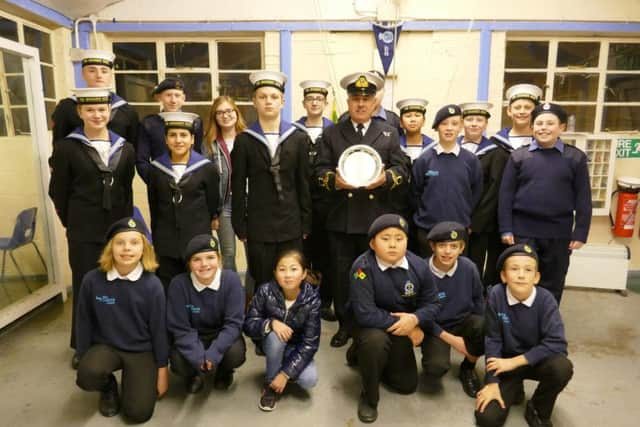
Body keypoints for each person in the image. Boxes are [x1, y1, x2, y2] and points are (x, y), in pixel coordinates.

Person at [314, 71, 410, 348]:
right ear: (348, 101)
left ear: (375, 102)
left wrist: (385, 179)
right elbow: (318, 170)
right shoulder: (332, 133)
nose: (360, 104)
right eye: (355, 98)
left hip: (374, 219)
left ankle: (369, 324)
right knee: (343, 275)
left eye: (366, 99)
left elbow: (402, 168)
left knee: (373, 275)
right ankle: (345, 326)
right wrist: (335, 181)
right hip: (341, 218)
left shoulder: (389, 134)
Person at [49, 87, 135, 368]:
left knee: (119, 285)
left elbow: (126, 189)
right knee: (86, 285)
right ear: (80, 112)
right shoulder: (67, 148)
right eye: (90, 110)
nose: (97, 115)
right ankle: (83, 343)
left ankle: (117, 337)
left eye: (102, 110)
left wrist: (127, 229)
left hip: (117, 231)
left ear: (109, 112)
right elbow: (58, 191)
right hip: (84, 229)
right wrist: (71, 221)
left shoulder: (125, 147)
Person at [346, 214, 440, 423]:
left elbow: (432, 304)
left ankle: (362, 356)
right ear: (372, 243)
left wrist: (415, 319)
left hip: (399, 325)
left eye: (399, 238)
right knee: (374, 342)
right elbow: (365, 313)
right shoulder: (362, 268)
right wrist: (406, 325)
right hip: (368, 325)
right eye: (385, 238)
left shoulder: (419, 266)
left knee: (406, 386)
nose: (393, 244)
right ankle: (369, 397)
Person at [74, 217, 168, 423]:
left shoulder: (153, 286)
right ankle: (108, 387)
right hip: (107, 346)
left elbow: (159, 332)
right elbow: (83, 323)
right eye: (120, 242)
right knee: (87, 375)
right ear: (110, 248)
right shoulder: (92, 280)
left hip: (141, 350)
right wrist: (84, 359)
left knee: (138, 414)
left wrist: (162, 371)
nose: (127, 249)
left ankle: (134, 381)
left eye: (134, 243)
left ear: (144, 248)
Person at [498, 102, 591, 303]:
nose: (543, 128)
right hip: (523, 232)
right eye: (539, 123)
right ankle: (517, 326)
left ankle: (547, 326)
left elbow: (583, 198)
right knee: (520, 281)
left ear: (562, 127)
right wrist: (506, 229)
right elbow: (505, 196)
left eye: (550, 123)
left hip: (559, 233)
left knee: (553, 283)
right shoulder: (519, 156)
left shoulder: (575, 158)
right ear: (532, 127)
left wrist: (581, 232)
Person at [475, 244, 573, 427]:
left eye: (528, 270)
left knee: (562, 367)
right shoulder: (496, 295)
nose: (521, 275)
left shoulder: (545, 300)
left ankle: (537, 408)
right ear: (504, 276)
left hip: (535, 361)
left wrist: (515, 361)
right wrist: (491, 381)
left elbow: (557, 343)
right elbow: (493, 339)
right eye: (514, 269)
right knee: (487, 419)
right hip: (505, 365)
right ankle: (514, 387)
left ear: (536, 277)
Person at [231, 70, 311, 289]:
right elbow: (237, 186)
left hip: (291, 223)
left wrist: (306, 222)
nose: (268, 102)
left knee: (291, 279)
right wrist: (240, 225)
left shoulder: (298, 138)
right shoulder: (244, 140)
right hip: (259, 225)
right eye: (263, 97)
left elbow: (303, 183)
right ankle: (264, 322)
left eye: (274, 97)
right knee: (263, 279)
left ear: (283, 101)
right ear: (253, 101)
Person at [147, 111, 220, 291]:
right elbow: (154, 205)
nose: (178, 140)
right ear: (165, 139)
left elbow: (213, 202)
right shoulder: (156, 168)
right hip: (166, 241)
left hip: (197, 236)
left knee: (198, 287)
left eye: (183, 135)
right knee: (168, 287)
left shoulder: (206, 168)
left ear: (192, 139)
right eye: (172, 135)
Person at [167, 234, 246, 394]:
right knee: (177, 363)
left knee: (235, 354)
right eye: (197, 259)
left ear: (219, 259)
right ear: (189, 264)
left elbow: (233, 323)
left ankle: (224, 371)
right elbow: (180, 327)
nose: (204, 264)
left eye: (210, 257)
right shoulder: (178, 285)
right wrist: (198, 357)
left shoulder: (231, 280)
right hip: (193, 336)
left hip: (221, 334)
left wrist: (213, 353)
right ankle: (194, 374)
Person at [243, 249, 320, 412]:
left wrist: (285, 374)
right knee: (275, 337)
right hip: (271, 342)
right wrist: (270, 323)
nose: (288, 274)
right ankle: (270, 385)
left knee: (309, 379)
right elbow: (248, 325)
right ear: (275, 273)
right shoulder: (264, 291)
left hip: (296, 348)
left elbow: (310, 343)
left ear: (304, 273)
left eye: (294, 269)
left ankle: (281, 369)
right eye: (282, 269)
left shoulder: (312, 300)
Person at [411, 104, 482, 258]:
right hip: (428, 230)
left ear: (461, 127)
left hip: (458, 231)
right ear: (436, 127)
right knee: (427, 275)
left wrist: (467, 222)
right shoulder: (424, 160)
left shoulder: (471, 160)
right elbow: (415, 193)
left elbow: (476, 193)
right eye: (444, 124)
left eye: (454, 124)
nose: (449, 128)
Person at [422, 221, 484, 397]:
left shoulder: (469, 268)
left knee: (486, 328)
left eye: (454, 246)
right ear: (432, 246)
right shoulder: (421, 270)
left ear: (462, 248)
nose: (448, 251)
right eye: (442, 245)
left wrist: (480, 333)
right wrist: (453, 340)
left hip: (462, 320)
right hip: (434, 327)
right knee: (436, 368)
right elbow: (420, 315)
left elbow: (478, 299)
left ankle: (468, 367)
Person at [293, 80, 336, 321]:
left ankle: (324, 302)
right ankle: (302, 301)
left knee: (327, 254)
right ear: (304, 103)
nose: (315, 103)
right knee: (301, 252)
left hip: (328, 202)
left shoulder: (334, 130)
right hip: (300, 201)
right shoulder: (293, 130)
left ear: (325, 103)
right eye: (310, 99)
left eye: (319, 99)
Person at [458, 102, 511, 289]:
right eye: (469, 119)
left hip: (479, 225)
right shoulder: (449, 148)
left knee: (476, 265)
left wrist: (474, 223)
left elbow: (494, 191)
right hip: (453, 219)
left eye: (479, 120)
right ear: (462, 122)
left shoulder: (496, 153)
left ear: (486, 124)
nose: (474, 124)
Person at [51, 49, 138, 156]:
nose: (98, 75)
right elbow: (58, 143)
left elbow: (133, 148)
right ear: (83, 74)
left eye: (104, 71)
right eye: (92, 70)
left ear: (111, 75)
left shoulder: (127, 110)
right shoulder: (66, 107)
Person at [202, 95, 248, 272]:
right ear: (214, 117)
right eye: (220, 112)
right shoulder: (208, 144)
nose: (225, 115)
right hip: (224, 206)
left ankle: (251, 298)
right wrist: (213, 214)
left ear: (236, 113)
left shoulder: (248, 138)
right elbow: (206, 180)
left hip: (248, 203)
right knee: (228, 254)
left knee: (253, 254)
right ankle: (232, 296)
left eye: (229, 111)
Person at [136, 77, 204, 183]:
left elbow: (199, 154)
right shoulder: (149, 123)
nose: (173, 100)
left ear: (183, 98)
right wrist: (154, 183)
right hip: (160, 183)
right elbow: (141, 160)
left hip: (190, 184)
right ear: (159, 97)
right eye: (168, 95)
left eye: (177, 95)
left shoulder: (195, 122)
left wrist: (195, 181)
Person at [493, 84, 543, 150]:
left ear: (536, 111)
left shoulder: (544, 142)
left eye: (527, 108)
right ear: (509, 111)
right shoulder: (495, 143)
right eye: (517, 108)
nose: (522, 112)